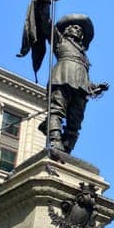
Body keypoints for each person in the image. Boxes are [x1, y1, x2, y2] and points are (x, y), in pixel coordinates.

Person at [43, 14, 108, 153]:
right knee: (57, 110)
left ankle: (67, 148)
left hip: (81, 88)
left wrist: (95, 87)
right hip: (62, 78)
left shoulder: (83, 55)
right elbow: (46, 22)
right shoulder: (60, 41)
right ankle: (55, 140)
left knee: (76, 121)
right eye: (73, 26)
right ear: (66, 31)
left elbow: (82, 76)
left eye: (79, 28)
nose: (77, 29)